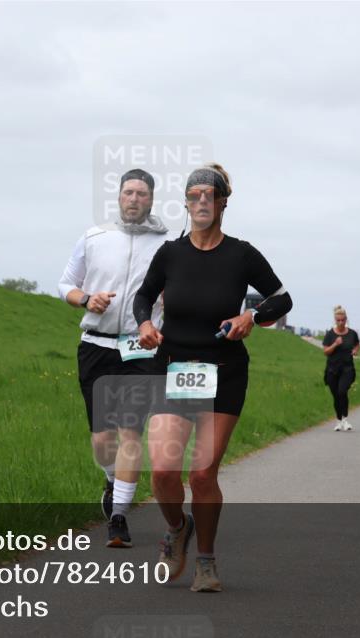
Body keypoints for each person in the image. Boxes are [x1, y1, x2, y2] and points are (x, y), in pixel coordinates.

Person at [133, 164, 291, 592]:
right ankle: (175, 527)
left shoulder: (242, 254)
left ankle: (205, 560)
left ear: (223, 202)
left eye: (210, 194)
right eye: (194, 194)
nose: (202, 200)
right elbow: (143, 295)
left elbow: (282, 299)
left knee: (202, 474)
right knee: (164, 471)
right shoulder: (170, 253)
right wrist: (145, 324)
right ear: (186, 203)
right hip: (174, 367)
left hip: (224, 371)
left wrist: (251, 316)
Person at [58, 169, 168, 548]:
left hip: (141, 347)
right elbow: (65, 284)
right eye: (128, 192)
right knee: (103, 438)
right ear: (119, 197)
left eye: (141, 193)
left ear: (151, 200)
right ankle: (111, 479)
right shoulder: (94, 237)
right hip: (96, 344)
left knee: (130, 431)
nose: (134, 199)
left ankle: (119, 517)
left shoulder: (167, 242)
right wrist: (87, 299)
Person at [322, 305, 360, 431]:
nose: (341, 322)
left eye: (343, 320)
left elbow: (357, 344)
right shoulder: (330, 334)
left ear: (346, 319)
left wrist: (355, 350)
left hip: (347, 368)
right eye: (338, 320)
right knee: (336, 395)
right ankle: (339, 420)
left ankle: (345, 419)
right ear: (335, 320)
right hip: (332, 369)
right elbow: (326, 351)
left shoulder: (352, 334)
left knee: (342, 391)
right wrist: (335, 344)